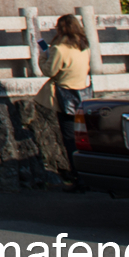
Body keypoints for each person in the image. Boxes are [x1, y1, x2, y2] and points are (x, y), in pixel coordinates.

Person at [41, 13, 91, 189]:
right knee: (83, 138)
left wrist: (43, 55)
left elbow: (49, 71)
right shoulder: (84, 47)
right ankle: (87, 175)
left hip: (66, 95)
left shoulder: (59, 49)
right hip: (83, 94)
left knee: (70, 139)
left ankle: (79, 178)